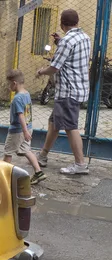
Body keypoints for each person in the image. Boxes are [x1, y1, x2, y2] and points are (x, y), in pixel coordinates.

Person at [36, 9, 91, 175]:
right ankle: (43, 156)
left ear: (62, 24)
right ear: (77, 22)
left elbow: (54, 67)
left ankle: (80, 164)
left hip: (68, 90)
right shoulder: (84, 37)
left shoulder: (67, 41)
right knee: (54, 122)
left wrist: (40, 72)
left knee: (69, 126)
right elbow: (72, 55)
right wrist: (60, 42)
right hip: (79, 88)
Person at [4, 70, 46, 185]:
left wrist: (25, 131)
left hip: (17, 131)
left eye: (9, 84)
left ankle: (4, 176)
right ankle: (39, 172)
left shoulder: (17, 98)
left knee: (8, 152)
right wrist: (27, 130)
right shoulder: (26, 94)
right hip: (28, 127)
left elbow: (21, 115)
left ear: (14, 83)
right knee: (26, 150)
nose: (9, 87)